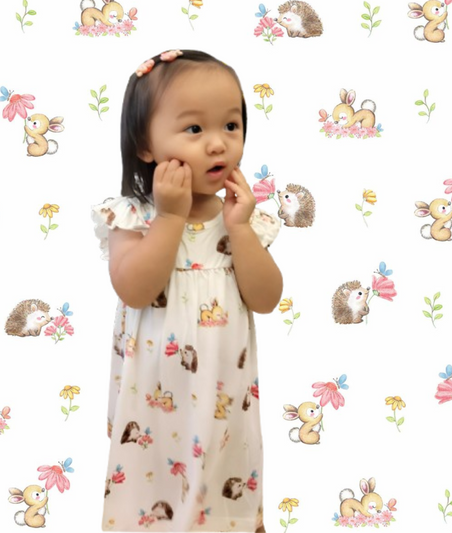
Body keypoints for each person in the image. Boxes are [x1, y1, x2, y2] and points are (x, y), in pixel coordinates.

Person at [92, 49, 283, 532]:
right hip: (154, 407)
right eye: (195, 129)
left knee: (225, 497)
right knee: (151, 499)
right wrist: (170, 217)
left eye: (231, 125)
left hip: (225, 406)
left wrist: (240, 231)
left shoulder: (242, 220)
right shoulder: (134, 217)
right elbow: (135, 290)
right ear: (145, 145)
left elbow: (266, 299)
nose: (218, 144)